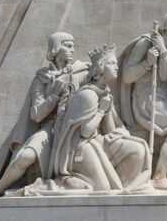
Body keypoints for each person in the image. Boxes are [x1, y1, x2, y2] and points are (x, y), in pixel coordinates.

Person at [0, 32, 88, 198]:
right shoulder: (42, 78)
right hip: (50, 129)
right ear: (56, 48)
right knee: (25, 156)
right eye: (68, 45)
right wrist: (54, 96)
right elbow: (36, 114)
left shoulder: (81, 71)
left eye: (73, 46)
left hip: (71, 129)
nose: (72, 50)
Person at [48, 45, 152, 193]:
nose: (116, 67)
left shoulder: (104, 92)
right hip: (79, 148)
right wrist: (101, 110)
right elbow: (85, 132)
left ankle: (126, 189)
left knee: (137, 149)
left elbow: (109, 130)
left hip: (97, 141)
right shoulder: (87, 95)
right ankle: (68, 181)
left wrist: (110, 116)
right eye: (111, 63)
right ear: (100, 69)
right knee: (102, 188)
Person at [119, 13, 167, 190]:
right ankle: (160, 176)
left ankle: (153, 176)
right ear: (165, 28)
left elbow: (164, 74)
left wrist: (163, 53)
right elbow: (128, 76)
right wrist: (147, 63)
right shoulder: (146, 43)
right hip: (146, 96)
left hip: (161, 96)